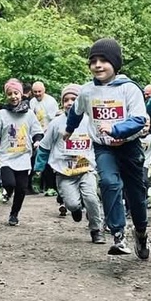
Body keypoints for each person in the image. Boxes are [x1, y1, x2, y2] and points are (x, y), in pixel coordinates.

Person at [64, 38, 150, 259]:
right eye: (93, 61)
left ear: (115, 63)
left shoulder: (129, 88)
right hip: (104, 148)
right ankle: (118, 235)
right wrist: (69, 129)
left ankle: (141, 232)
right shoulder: (87, 91)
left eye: (103, 60)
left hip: (129, 146)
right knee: (109, 183)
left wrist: (116, 130)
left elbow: (139, 119)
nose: (98, 65)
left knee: (136, 195)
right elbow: (76, 111)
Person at [34, 84, 105, 243]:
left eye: (74, 99)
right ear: (62, 103)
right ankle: (76, 209)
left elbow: (99, 144)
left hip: (86, 169)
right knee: (72, 204)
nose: (70, 103)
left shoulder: (90, 121)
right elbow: (45, 146)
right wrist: (39, 167)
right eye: (66, 100)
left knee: (91, 198)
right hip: (64, 172)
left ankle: (96, 230)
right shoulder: (56, 123)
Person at [0, 78, 44, 226]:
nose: (13, 96)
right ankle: (7, 191)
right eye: (10, 94)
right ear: (6, 96)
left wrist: (37, 140)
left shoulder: (29, 114)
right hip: (6, 156)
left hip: (23, 156)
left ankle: (14, 214)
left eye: (16, 93)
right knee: (9, 183)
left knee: (21, 189)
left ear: (21, 94)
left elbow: (37, 131)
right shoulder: (2, 114)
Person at [30, 81, 60, 196]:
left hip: (48, 133)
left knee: (48, 160)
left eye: (39, 91)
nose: (37, 94)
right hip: (37, 133)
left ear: (44, 90)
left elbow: (53, 120)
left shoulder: (51, 102)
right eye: (35, 92)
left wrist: (46, 134)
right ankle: (38, 185)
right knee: (36, 159)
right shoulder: (32, 102)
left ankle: (51, 186)